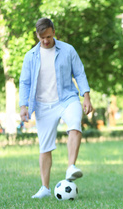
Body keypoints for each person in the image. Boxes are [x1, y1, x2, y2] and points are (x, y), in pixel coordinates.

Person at [19, 18, 93, 199]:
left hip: (67, 99)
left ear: (54, 32)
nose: (46, 40)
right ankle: (44, 188)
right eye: (42, 37)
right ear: (37, 35)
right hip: (43, 105)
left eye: (49, 36)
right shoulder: (30, 56)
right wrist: (23, 106)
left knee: (75, 123)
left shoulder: (68, 50)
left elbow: (80, 73)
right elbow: (25, 82)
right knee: (45, 147)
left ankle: (71, 167)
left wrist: (86, 96)